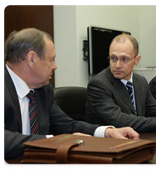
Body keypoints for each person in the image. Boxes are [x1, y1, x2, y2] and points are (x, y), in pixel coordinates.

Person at [2, 28, 140, 160]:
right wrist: (55, 141)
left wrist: (107, 132)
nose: (55, 66)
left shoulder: (43, 90)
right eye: (51, 59)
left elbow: (67, 125)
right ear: (32, 59)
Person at [85, 34, 156, 132]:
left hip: (136, 139)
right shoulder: (99, 84)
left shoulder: (140, 81)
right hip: (108, 145)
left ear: (137, 60)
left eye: (124, 59)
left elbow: (155, 110)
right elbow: (120, 120)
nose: (117, 65)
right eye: (113, 58)